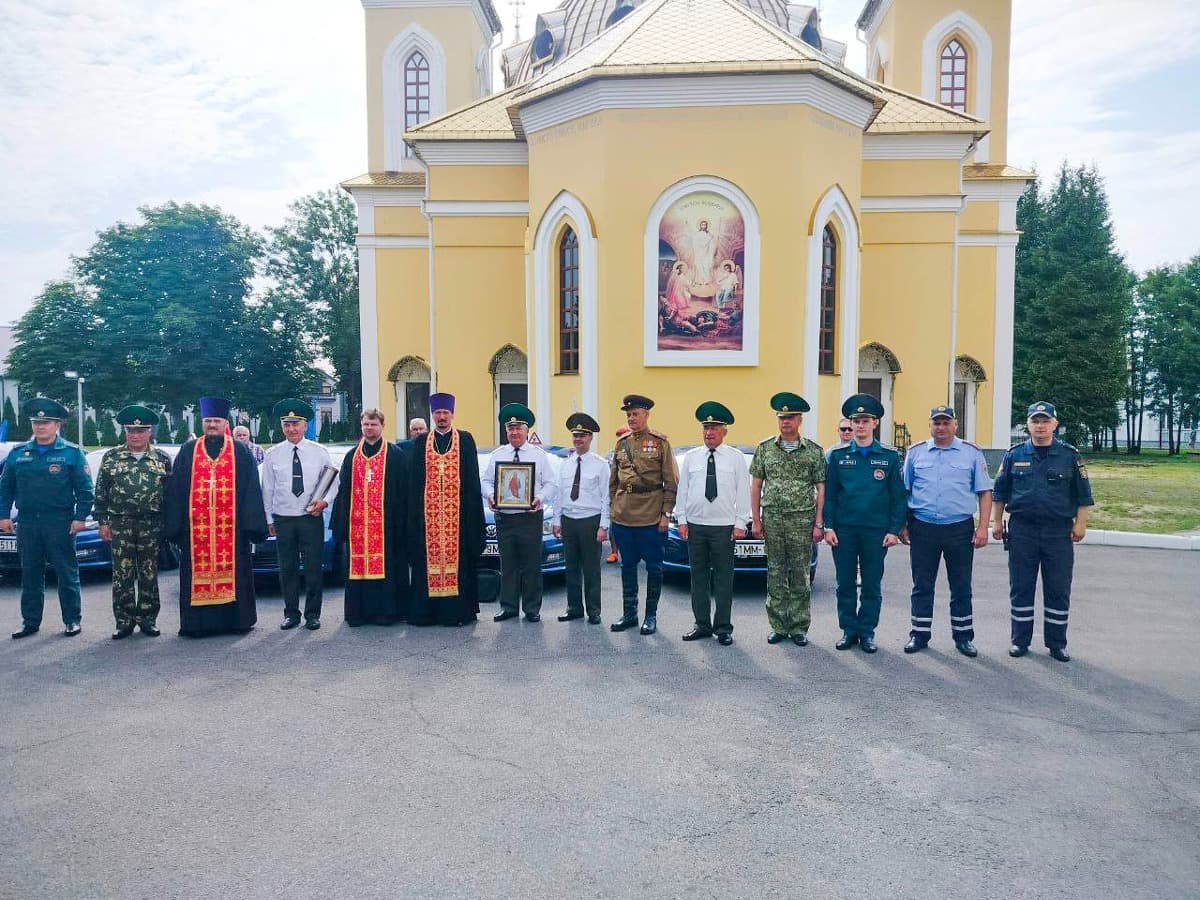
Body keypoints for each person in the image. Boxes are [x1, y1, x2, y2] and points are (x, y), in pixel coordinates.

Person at [991, 401, 1094, 662]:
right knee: (1021, 587)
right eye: (1035, 421)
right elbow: (1000, 492)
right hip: (1022, 531)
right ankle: (1020, 640)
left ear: (1054, 424)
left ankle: (1057, 643)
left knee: (1058, 588)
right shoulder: (1014, 454)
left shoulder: (1070, 456)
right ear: (1027, 425)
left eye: (1045, 421)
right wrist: (995, 522)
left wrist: (1080, 524)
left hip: (1058, 532)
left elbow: (1083, 495)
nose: (1040, 426)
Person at [163, 397, 269, 637]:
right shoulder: (189, 450)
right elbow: (177, 489)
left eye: (216, 421)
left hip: (232, 533)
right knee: (194, 576)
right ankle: (196, 625)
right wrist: (175, 527)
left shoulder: (240, 451)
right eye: (208, 421)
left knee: (236, 575)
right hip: (196, 534)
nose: (212, 425)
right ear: (203, 422)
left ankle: (237, 622)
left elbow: (251, 489)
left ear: (225, 423)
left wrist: (251, 525)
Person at [900, 405, 993, 658]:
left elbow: (985, 492)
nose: (940, 428)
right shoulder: (916, 452)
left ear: (955, 425)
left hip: (959, 528)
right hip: (923, 527)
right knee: (922, 584)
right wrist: (902, 524)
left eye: (945, 422)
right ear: (929, 425)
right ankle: (918, 634)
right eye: (936, 423)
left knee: (961, 585)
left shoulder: (971, 453)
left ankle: (963, 637)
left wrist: (983, 527)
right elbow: (905, 490)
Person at [1, 398, 94, 639]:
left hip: (60, 522)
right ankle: (30, 621)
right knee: (30, 573)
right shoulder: (18, 453)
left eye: (46, 422)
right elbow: (5, 488)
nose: (40, 426)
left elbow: (85, 490)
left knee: (66, 572)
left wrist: (80, 517)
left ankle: (72, 619)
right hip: (28, 522)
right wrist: (3, 515)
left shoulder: (71, 454)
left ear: (57, 425)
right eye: (36, 422)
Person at [823, 394, 906, 654]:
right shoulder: (837, 456)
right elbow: (830, 495)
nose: (859, 426)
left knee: (871, 584)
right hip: (844, 530)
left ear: (875, 423)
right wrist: (828, 526)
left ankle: (867, 632)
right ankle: (849, 630)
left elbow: (898, 497)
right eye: (855, 421)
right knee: (845, 583)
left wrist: (894, 530)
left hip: (875, 531)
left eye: (865, 421)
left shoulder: (890, 457)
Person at [749, 392, 826, 646]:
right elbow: (756, 486)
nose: (785, 422)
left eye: (790, 417)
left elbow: (821, 489)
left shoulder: (814, 451)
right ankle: (779, 626)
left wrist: (818, 523)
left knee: (801, 575)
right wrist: (756, 520)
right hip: (772, 518)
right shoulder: (764, 448)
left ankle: (799, 627)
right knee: (775, 573)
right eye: (781, 417)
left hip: (802, 521)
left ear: (799, 420)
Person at [93, 405, 173, 639]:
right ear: (125, 432)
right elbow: (101, 492)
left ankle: (148, 619)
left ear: (150, 432)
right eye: (130, 430)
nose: (135, 435)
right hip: (120, 524)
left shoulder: (161, 458)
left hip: (151, 524)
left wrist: (167, 525)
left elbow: (169, 495)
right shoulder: (111, 457)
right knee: (122, 574)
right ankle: (124, 620)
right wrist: (102, 522)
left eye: (141, 431)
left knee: (149, 573)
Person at [407, 393, 485, 627]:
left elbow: (472, 481)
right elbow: (415, 482)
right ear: (433, 415)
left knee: (458, 565)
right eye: (438, 413)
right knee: (426, 565)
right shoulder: (421, 442)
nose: (441, 417)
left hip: (457, 519)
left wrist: (472, 517)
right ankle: (427, 613)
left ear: (452, 415)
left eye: (445, 413)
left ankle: (457, 613)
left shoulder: (466, 440)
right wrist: (416, 517)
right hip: (428, 518)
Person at [677, 401, 750, 646]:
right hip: (696, 526)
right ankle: (701, 624)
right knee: (697, 578)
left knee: (723, 579)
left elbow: (743, 492)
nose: (709, 432)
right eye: (706, 427)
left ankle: (723, 627)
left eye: (714, 427)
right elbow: (683, 490)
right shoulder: (691, 458)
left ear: (725, 430)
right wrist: (682, 519)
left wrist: (741, 522)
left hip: (724, 527)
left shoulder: (736, 458)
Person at [332, 408, 410, 627]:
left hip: (387, 528)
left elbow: (403, 493)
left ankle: (387, 613)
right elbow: (343, 492)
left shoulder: (395, 455)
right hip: (358, 528)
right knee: (358, 568)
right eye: (366, 424)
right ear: (361, 426)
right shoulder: (351, 456)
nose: (369, 428)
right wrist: (341, 526)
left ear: (382, 426)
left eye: (373, 424)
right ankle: (358, 614)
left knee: (389, 569)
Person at [261, 399, 334, 631]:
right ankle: (291, 613)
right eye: (287, 424)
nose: (291, 429)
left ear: (305, 426)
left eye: (296, 424)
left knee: (313, 568)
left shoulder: (319, 452)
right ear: (282, 426)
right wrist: (269, 519)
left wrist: (325, 501)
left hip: (310, 518)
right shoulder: (273, 454)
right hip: (284, 518)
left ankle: (312, 614)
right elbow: (268, 489)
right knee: (287, 569)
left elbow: (333, 481)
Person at [608, 394, 677, 635]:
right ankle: (629, 614)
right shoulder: (621, 443)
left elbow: (670, 481)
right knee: (627, 567)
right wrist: (613, 510)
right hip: (623, 516)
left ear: (646, 415)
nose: (631, 418)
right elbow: (613, 482)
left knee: (654, 568)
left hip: (650, 517)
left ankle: (650, 616)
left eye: (635, 414)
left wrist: (666, 513)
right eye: (628, 414)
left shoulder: (660, 442)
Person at [483, 403, 556, 623]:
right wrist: (490, 496)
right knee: (508, 565)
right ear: (506, 431)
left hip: (530, 516)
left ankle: (532, 608)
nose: (514, 432)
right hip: (505, 518)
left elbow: (551, 484)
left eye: (519, 429)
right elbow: (486, 481)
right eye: (510, 429)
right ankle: (509, 607)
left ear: (526, 431)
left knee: (531, 565)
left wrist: (539, 498)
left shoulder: (538, 455)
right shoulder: (498, 454)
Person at [553, 413, 609, 624]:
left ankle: (594, 610)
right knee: (571, 567)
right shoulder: (566, 464)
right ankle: (574, 607)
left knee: (591, 569)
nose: (578, 439)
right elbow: (560, 494)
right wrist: (557, 521)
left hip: (590, 521)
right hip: (569, 520)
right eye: (575, 435)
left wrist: (604, 526)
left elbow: (606, 497)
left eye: (582, 436)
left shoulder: (600, 464)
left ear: (590, 438)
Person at [605, 425, 630, 564]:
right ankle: (614, 552)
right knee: (613, 525)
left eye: (624, 434)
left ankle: (629, 552)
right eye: (619, 435)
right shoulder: (611, 453)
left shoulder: (636, 451)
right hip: (615, 494)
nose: (621, 438)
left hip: (631, 495)